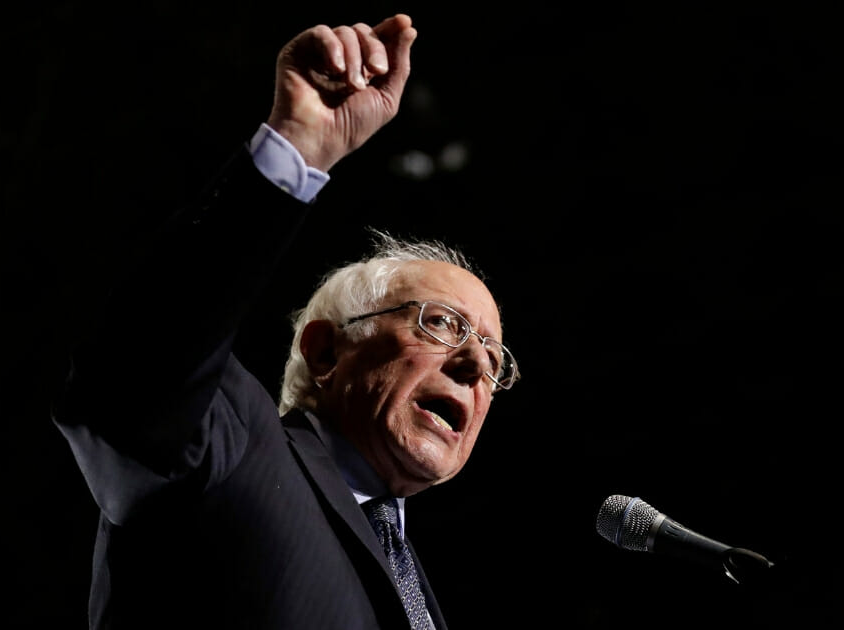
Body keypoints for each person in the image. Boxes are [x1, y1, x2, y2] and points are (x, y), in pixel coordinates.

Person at [52, 13, 519, 630]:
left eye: (494, 357)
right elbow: (132, 373)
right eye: (442, 325)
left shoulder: (418, 586)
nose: (475, 365)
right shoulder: (231, 444)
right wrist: (294, 148)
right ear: (326, 351)